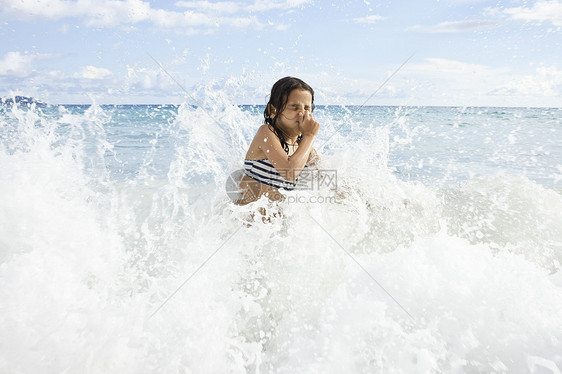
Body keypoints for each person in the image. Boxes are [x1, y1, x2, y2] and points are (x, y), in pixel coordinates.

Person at [235, 77, 320, 206]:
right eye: (294, 107)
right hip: (248, 224)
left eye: (307, 108)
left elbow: (324, 179)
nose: (302, 113)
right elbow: (290, 172)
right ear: (272, 111)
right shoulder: (266, 133)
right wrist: (309, 135)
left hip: (278, 225)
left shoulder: (303, 148)